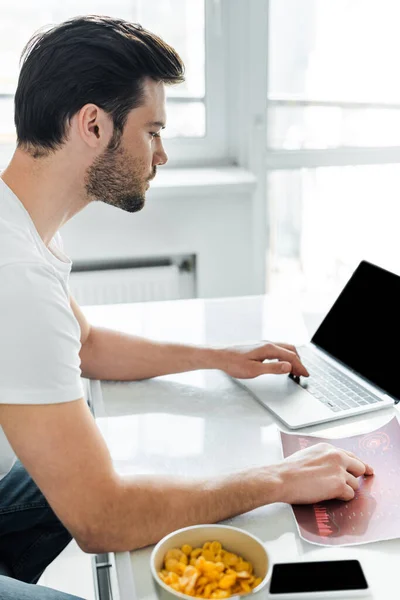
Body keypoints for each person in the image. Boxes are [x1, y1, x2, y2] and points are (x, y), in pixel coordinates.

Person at [0, 16, 373, 599]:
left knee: (97, 446)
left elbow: (87, 345)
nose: (163, 153)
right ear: (93, 124)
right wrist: (278, 479)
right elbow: (102, 518)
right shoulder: (14, 271)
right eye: (152, 131)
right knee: (109, 498)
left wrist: (220, 356)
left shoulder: (20, 225)